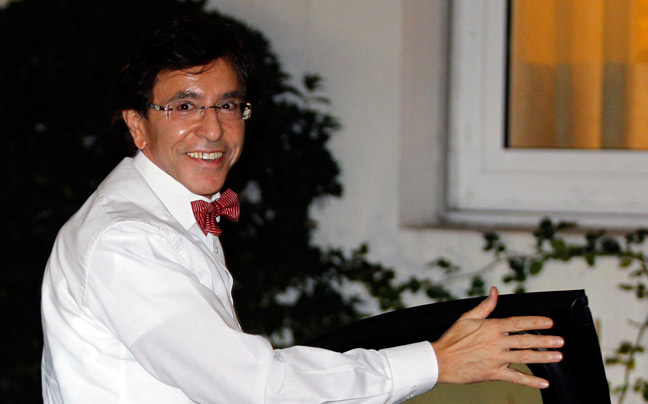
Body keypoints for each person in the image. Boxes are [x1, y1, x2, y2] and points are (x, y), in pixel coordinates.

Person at [41, 16, 564, 404]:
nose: (213, 128)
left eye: (228, 104)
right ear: (137, 125)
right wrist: (434, 361)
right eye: (184, 106)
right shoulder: (127, 240)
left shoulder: (163, 213)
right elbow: (256, 388)